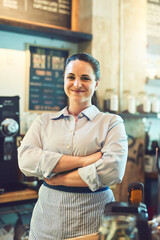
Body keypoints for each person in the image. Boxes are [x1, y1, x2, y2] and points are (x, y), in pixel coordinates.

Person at [18, 53, 128, 240]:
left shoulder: (111, 122)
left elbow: (112, 170)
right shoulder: (44, 121)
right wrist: (85, 161)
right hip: (46, 222)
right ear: (64, 80)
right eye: (71, 77)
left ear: (96, 83)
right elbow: (26, 160)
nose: (77, 84)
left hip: (93, 222)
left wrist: (57, 177)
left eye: (85, 78)